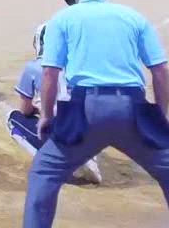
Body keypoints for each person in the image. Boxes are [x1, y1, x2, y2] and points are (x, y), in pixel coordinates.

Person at [23, 0, 169, 228]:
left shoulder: (62, 19)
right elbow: (160, 71)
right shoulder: (133, 17)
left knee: (44, 173)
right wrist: (161, 115)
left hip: (86, 110)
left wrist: (47, 116)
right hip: (132, 109)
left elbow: (50, 73)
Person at [7, 23, 102, 184]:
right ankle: (89, 156)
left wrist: (38, 110)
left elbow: (25, 110)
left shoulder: (33, 67)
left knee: (12, 118)